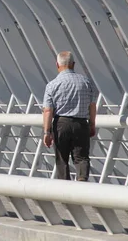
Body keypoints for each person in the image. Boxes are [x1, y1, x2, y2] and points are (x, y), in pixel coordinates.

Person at [42, 51, 97, 181]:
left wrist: (47, 132)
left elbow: (48, 111)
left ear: (57, 64)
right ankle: (82, 181)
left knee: (62, 159)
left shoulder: (52, 85)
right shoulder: (86, 82)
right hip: (81, 124)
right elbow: (92, 106)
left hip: (61, 123)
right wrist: (92, 124)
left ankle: (65, 189)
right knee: (82, 157)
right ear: (73, 64)